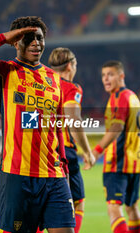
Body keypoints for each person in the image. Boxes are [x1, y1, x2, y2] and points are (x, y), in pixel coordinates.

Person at [0, 16, 75, 233]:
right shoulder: (5, 72)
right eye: (27, 38)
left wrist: (65, 171)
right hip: (17, 177)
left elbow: (57, 129)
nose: (35, 43)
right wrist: (2, 38)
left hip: (54, 177)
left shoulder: (54, 80)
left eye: (39, 38)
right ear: (15, 42)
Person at [47, 47, 96, 233]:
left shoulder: (43, 85)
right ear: (70, 66)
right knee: (77, 203)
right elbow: (74, 121)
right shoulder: (71, 88)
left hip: (41, 151)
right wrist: (88, 152)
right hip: (64, 152)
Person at [92, 61, 140, 233]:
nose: (106, 79)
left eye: (110, 74)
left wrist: (96, 151)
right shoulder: (133, 96)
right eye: (103, 75)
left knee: (114, 208)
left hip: (117, 162)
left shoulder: (119, 97)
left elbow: (117, 127)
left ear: (122, 76)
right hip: (135, 162)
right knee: (132, 207)